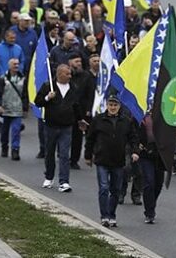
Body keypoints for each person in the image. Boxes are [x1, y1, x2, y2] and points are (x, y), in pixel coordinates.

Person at [84, 95, 139, 227]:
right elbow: (90, 138)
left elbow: (133, 138)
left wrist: (135, 151)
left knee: (115, 189)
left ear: (119, 107)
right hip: (102, 159)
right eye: (110, 105)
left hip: (118, 160)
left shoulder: (126, 121)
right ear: (106, 105)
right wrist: (88, 155)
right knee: (103, 188)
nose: (112, 108)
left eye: (115, 105)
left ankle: (111, 214)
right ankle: (104, 216)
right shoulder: (98, 120)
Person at [34, 64, 80, 193]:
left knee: (64, 154)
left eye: (70, 73)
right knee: (50, 152)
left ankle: (64, 181)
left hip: (66, 126)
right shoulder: (48, 86)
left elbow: (76, 105)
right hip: (51, 126)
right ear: (59, 74)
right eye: (67, 74)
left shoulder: (73, 88)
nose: (70, 76)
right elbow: (38, 102)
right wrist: (48, 97)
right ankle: (49, 177)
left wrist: (80, 119)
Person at [0, 58, 28, 160]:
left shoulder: (23, 79)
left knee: (16, 130)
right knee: (4, 131)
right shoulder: (2, 79)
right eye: (14, 64)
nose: (16, 66)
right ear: (9, 66)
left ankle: (15, 150)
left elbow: (25, 95)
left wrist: (25, 108)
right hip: (5, 110)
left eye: (17, 64)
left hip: (17, 110)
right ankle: (4, 147)